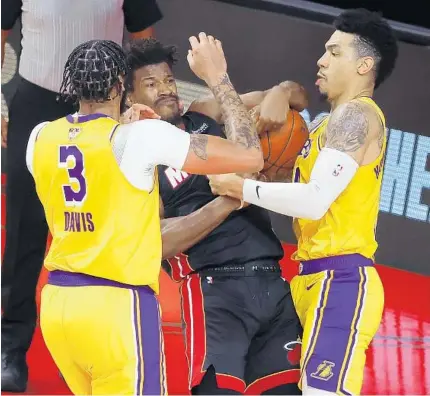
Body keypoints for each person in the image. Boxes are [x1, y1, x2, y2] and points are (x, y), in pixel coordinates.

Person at [26, 36, 263, 395]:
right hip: (116, 307)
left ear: (72, 84)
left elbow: (91, 151)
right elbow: (249, 156)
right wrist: (219, 78)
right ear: (122, 85)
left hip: (58, 304)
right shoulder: (141, 137)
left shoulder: (40, 136)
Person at [207, 8, 399, 395]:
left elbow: (313, 202)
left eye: (334, 52)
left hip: (343, 280)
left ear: (364, 65)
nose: (321, 60)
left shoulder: (357, 116)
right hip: (309, 279)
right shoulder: (324, 124)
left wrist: (239, 188)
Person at [124, 38, 308, 395]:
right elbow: (155, 242)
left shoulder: (204, 114)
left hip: (272, 280)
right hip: (213, 293)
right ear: (129, 99)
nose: (165, 90)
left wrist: (280, 92)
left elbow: (299, 96)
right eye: (150, 84)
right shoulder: (139, 158)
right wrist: (229, 199)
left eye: (168, 80)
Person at [1, 0, 163, 391]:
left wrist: (134, 102)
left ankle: (78, 350)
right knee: (24, 229)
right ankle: (10, 348)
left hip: (101, 108)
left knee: (96, 219)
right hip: (35, 102)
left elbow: (143, 43)